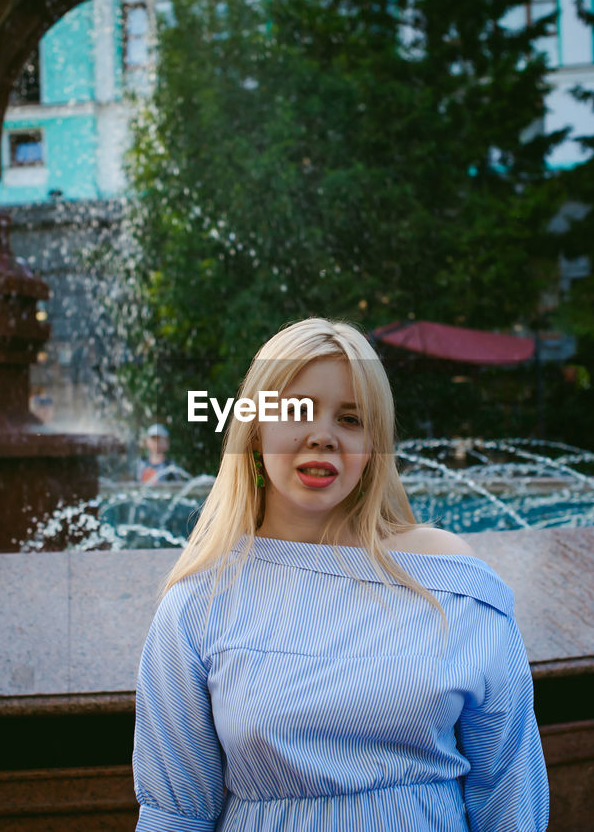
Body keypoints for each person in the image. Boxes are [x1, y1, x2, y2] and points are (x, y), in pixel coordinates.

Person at [132, 318, 548, 831]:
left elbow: (509, 788)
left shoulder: (450, 579)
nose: (322, 436)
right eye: (296, 411)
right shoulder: (198, 604)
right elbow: (176, 812)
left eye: (350, 419)